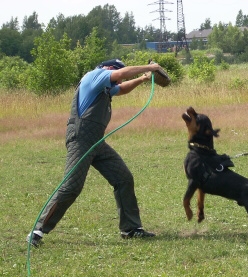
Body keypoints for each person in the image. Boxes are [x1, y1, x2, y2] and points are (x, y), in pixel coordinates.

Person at [27, 59, 160, 247]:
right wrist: (150, 68)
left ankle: (130, 229)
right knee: (72, 186)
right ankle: (37, 231)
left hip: (97, 142)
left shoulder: (104, 88)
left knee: (123, 178)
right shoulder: (94, 76)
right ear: (109, 69)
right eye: (116, 76)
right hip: (81, 139)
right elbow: (121, 76)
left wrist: (143, 79)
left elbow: (122, 88)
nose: (117, 82)